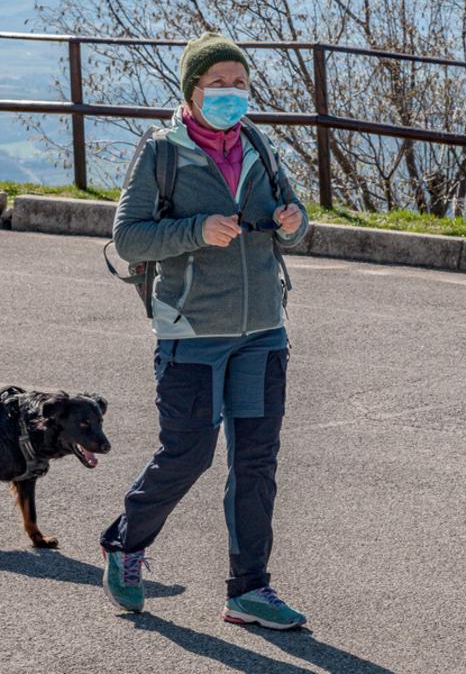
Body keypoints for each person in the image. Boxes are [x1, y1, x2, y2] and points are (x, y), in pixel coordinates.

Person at [99, 31, 310, 630]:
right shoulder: (161, 152)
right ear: (191, 91)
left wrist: (294, 222)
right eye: (217, 84)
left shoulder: (259, 146)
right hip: (191, 331)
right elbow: (130, 237)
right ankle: (125, 545)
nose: (230, 93)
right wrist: (197, 230)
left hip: (263, 330)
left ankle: (249, 590)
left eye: (238, 83)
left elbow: (295, 225)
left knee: (256, 463)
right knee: (188, 453)